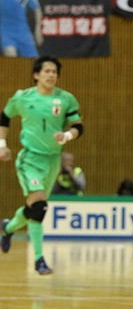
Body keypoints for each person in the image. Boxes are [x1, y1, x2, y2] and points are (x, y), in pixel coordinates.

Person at [0, 56, 84, 275]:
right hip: (30, 159)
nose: (51, 75)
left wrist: (66, 135)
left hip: (53, 160)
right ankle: (39, 260)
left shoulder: (65, 99)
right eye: (47, 71)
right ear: (37, 75)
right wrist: (2, 145)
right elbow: (4, 118)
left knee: (35, 207)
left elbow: (78, 126)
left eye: (54, 72)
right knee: (39, 206)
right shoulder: (22, 97)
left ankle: (8, 228)